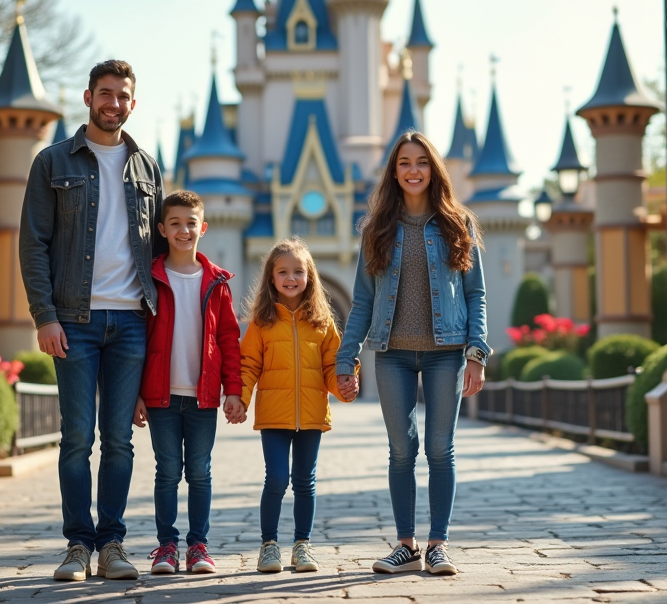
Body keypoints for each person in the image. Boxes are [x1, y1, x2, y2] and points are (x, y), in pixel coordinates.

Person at [20, 59, 165, 582]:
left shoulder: (147, 168)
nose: (114, 103)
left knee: (120, 440)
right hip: (74, 322)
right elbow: (33, 244)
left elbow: (160, 253)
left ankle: (113, 545)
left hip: (131, 322)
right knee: (77, 437)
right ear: (88, 98)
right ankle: (78, 547)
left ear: (132, 102)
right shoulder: (51, 161)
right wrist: (45, 316)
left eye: (123, 95)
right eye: (105, 93)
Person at [335, 130, 489, 576]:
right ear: (394, 171)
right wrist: (347, 360)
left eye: (421, 162)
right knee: (402, 449)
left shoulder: (459, 223)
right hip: (394, 354)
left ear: (433, 168)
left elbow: (476, 293)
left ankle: (438, 544)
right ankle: (406, 544)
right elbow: (362, 301)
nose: (413, 170)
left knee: (441, 449)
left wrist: (477, 353)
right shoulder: (377, 229)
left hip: (447, 353)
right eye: (404, 162)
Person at [132, 190, 244, 575]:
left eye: (190, 223)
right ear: (161, 229)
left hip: (202, 398)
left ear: (203, 227)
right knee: (166, 471)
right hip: (160, 397)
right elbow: (137, 341)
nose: (183, 230)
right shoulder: (149, 278)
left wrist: (234, 390)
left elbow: (229, 340)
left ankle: (198, 546)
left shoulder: (216, 282)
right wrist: (136, 395)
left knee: (199, 471)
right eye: (175, 224)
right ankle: (166, 547)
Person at [238, 238, 351, 574]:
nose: (291, 278)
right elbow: (248, 365)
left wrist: (345, 385)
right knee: (276, 479)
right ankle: (269, 545)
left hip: (312, 416)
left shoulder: (322, 322)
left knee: (305, 482)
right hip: (274, 415)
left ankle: (303, 545)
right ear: (271, 278)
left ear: (310, 276)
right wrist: (239, 399)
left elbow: (334, 366)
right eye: (283, 272)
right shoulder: (262, 322)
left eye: (298, 271)